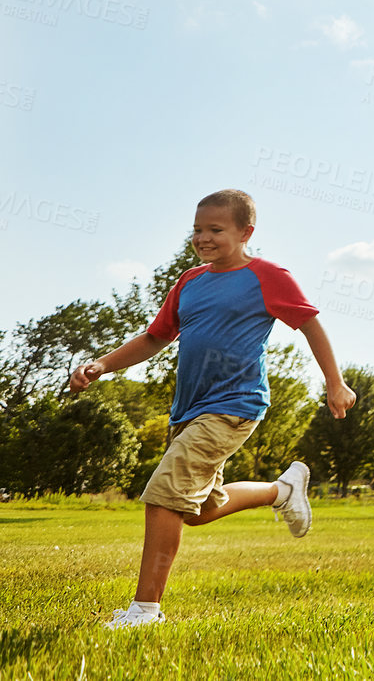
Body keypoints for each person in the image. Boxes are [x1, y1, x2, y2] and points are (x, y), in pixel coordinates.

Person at [70, 189, 356, 629]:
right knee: (198, 509)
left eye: (215, 230)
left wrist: (334, 383)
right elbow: (155, 338)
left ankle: (145, 611)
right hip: (188, 410)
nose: (203, 238)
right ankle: (281, 491)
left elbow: (309, 323)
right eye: (197, 230)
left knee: (164, 496)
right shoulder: (189, 282)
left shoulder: (267, 275)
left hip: (234, 404)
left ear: (246, 232)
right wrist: (103, 364)